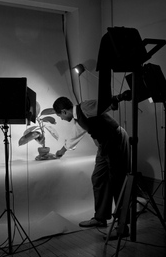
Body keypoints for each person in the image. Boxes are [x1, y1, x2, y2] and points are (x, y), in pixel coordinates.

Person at [52, 91, 131, 230]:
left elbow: (103, 104)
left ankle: (122, 225)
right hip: (104, 145)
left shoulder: (84, 107)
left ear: (64, 112)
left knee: (118, 181)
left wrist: (118, 98)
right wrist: (61, 152)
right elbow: (74, 135)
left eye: (60, 116)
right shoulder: (79, 118)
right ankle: (100, 218)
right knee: (98, 178)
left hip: (115, 139)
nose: (61, 119)